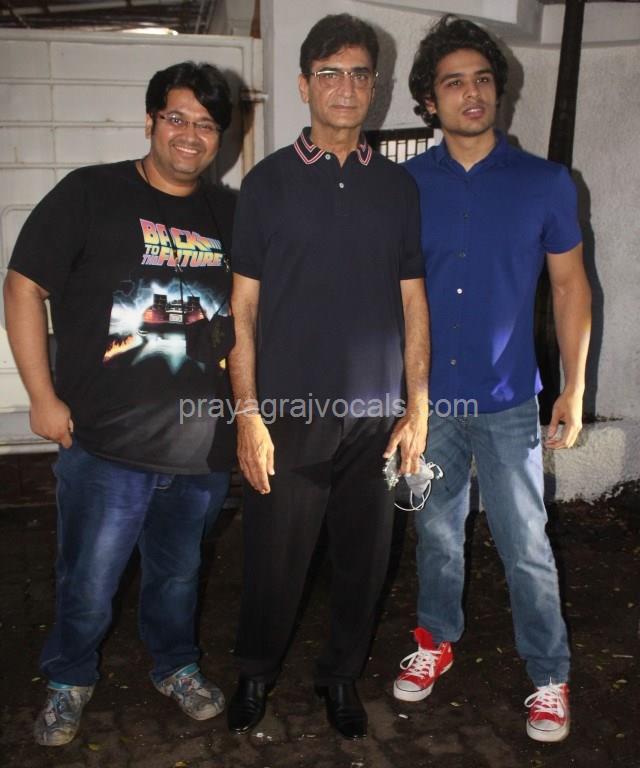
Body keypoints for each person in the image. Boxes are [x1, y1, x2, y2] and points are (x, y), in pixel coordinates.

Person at [4, 61, 237, 747]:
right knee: (88, 579)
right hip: (105, 444)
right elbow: (22, 287)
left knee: (179, 574)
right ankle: (68, 678)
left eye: (206, 124)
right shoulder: (90, 192)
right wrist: (40, 396)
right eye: (176, 117)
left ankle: (176, 665)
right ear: (150, 121)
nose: (190, 134)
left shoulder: (231, 214)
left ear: (220, 137)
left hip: (201, 447)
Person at [227, 14, 429, 740]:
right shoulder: (267, 183)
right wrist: (247, 414)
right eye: (330, 73)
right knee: (273, 562)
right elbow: (242, 308)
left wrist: (417, 407)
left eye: (359, 74)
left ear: (375, 87)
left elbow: (414, 301)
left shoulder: (398, 187)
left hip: (376, 421)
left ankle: (341, 676)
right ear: (305, 84)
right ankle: (255, 671)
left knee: (366, 564)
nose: (346, 87)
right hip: (287, 417)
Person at [392, 16, 591, 743]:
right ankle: (436, 639)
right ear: (429, 100)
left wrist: (573, 387)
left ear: (498, 92)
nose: (471, 93)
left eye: (482, 79)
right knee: (436, 535)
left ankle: (549, 675)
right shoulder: (404, 186)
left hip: (509, 402)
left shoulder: (546, 183)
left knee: (526, 544)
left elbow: (571, 288)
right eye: (453, 82)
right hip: (429, 404)